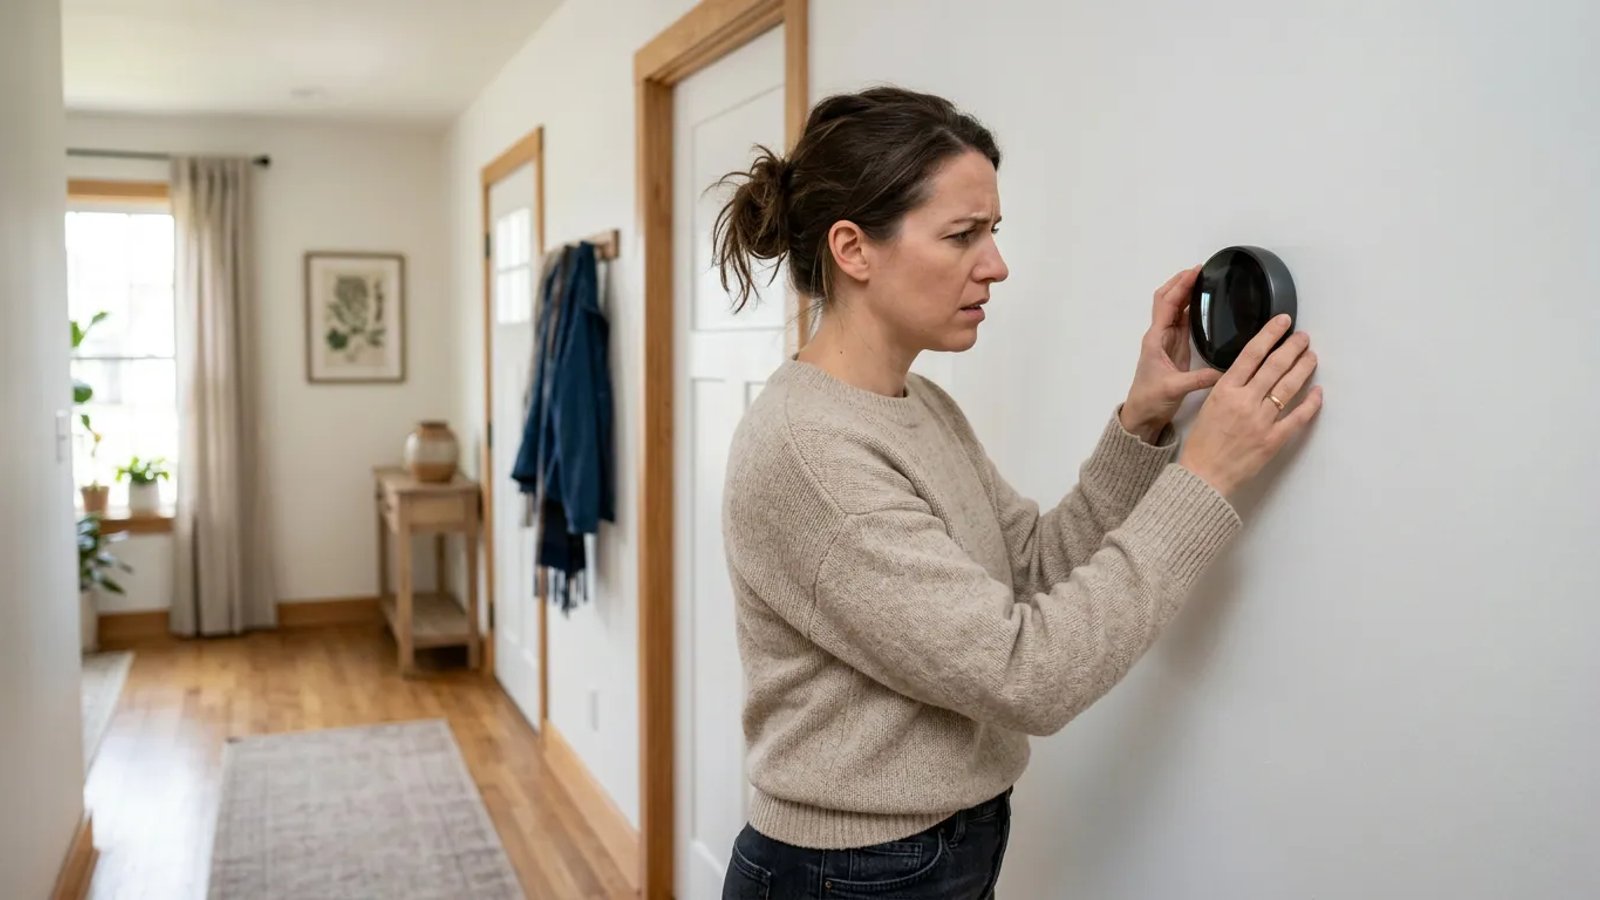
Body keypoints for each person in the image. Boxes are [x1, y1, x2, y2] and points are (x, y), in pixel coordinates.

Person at [712, 86, 1322, 900]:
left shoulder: (919, 404)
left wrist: (1143, 424)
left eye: (992, 232)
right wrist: (1204, 478)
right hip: (852, 877)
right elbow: (1026, 671)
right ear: (854, 249)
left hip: (939, 850)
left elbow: (1026, 569)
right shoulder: (808, 453)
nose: (995, 265)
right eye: (963, 235)